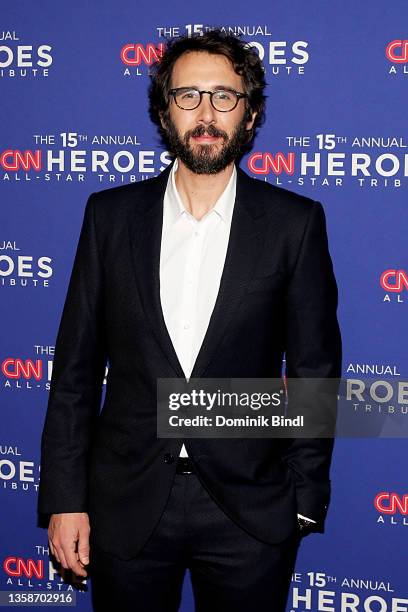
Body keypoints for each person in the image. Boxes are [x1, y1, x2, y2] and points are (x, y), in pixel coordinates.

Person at [37, 29, 342, 612]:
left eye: (224, 97)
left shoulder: (293, 224)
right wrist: (65, 499)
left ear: (249, 116)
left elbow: (315, 369)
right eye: (188, 96)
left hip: (249, 511)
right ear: (163, 111)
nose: (206, 113)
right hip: (125, 505)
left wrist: (303, 497)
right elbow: (74, 371)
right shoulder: (109, 217)